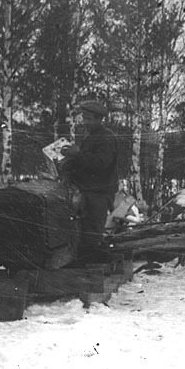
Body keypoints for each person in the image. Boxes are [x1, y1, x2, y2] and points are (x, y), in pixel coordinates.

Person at [60, 100, 119, 262]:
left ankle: (91, 270)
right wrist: (68, 161)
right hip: (89, 190)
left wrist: (77, 154)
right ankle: (86, 264)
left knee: (92, 231)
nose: (86, 122)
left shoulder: (106, 138)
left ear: (99, 119)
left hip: (99, 192)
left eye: (89, 119)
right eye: (84, 118)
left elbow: (101, 164)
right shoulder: (92, 137)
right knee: (85, 229)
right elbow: (85, 162)